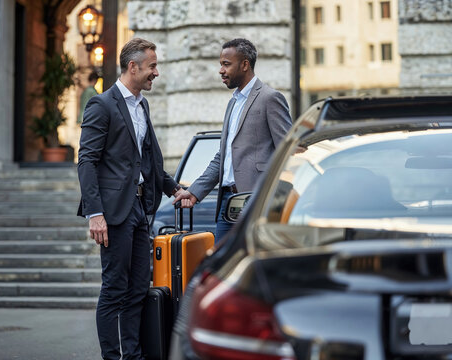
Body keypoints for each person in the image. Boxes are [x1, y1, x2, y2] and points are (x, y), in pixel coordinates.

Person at [77, 38, 182, 360]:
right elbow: (87, 160)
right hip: (113, 213)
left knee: (137, 289)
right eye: (152, 66)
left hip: (139, 209)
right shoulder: (102, 104)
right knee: (114, 290)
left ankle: (132, 356)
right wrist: (95, 213)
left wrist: (175, 189)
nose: (156, 73)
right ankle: (113, 357)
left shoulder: (141, 105)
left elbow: (147, 161)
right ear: (133, 66)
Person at [173, 38, 292, 243]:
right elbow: (223, 156)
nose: (220, 70)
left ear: (245, 64)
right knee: (221, 265)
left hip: (256, 203)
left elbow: (289, 151)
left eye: (226, 64)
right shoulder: (233, 103)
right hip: (228, 203)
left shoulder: (270, 98)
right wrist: (194, 192)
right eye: (221, 64)